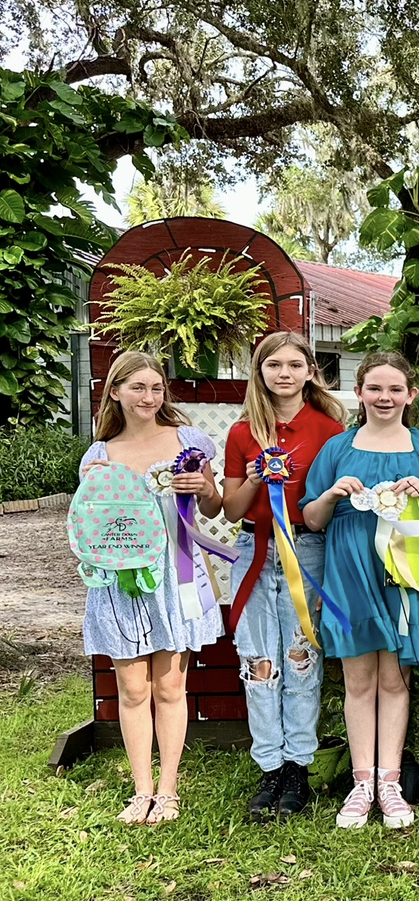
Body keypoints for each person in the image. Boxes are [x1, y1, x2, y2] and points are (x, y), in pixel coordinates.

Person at [301, 351, 419, 829]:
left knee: (394, 680)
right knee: (359, 679)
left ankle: (390, 780)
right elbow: (311, 519)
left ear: (411, 395)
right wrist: (329, 494)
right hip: (350, 570)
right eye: (375, 388)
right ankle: (361, 782)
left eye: (394, 389)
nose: (385, 397)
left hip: (403, 568)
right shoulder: (338, 448)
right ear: (360, 392)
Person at [76, 351, 224, 824]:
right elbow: (88, 528)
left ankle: (169, 790)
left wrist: (201, 486)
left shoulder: (188, 441)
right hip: (121, 580)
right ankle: (141, 791)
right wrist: (91, 491)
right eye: (137, 387)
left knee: (170, 685)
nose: (148, 397)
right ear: (114, 392)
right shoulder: (98, 456)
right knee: (132, 688)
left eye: (156, 388)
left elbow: (217, 507)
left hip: (176, 573)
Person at [222, 332, 347, 819]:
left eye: (295, 365)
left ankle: (298, 765)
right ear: (261, 372)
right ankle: (269, 766)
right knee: (258, 662)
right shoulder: (241, 432)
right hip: (254, 547)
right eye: (274, 365)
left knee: (299, 659)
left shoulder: (329, 430)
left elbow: (328, 503)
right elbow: (232, 510)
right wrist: (255, 475)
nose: (285, 374)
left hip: (306, 550)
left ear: (310, 372)